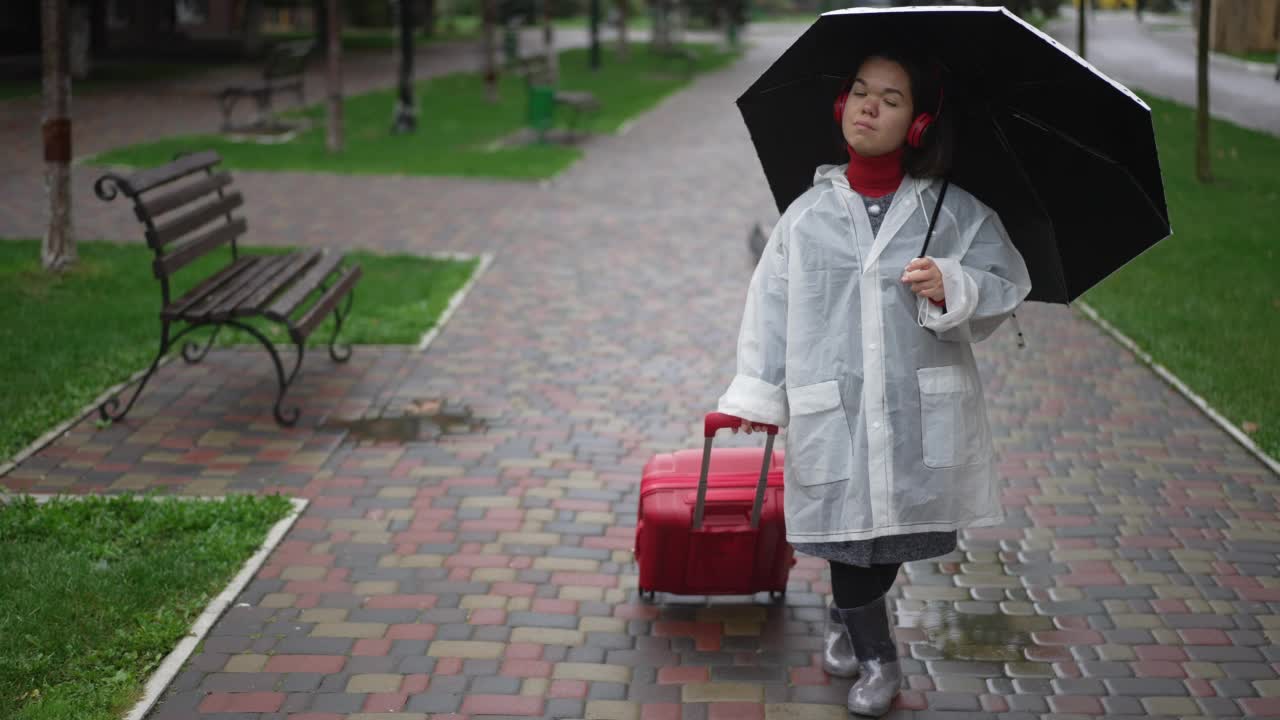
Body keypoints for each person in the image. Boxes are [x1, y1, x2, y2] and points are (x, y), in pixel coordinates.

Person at [717, 49, 1031, 717]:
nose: (868, 106)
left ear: (919, 124)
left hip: (915, 411)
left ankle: (846, 615)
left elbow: (1006, 283)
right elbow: (770, 305)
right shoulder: (806, 217)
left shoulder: (952, 214)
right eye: (860, 92)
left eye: (890, 99)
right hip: (834, 407)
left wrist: (955, 284)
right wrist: (756, 392)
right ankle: (876, 655)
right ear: (840, 106)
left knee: (891, 538)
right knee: (846, 538)